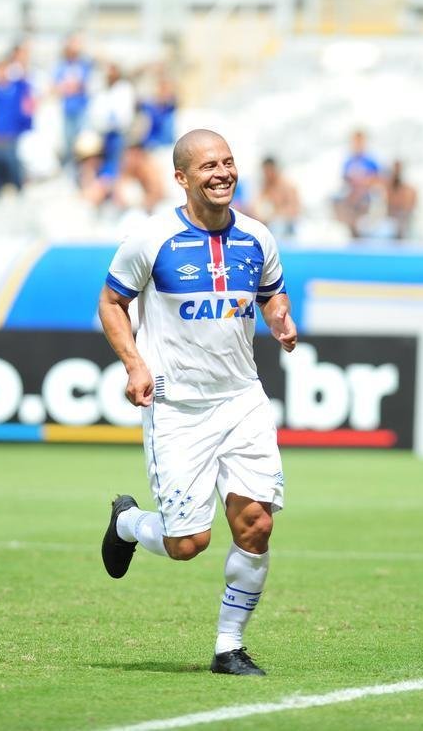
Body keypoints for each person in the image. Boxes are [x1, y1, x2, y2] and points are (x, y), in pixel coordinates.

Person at [98, 128, 297, 677]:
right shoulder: (151, 239)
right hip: (178, 407)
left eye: (229, 163)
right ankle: (128, 524)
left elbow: (272, 291)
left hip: (242, 400)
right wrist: (135, 364)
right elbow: (112, 302)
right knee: (189, 544)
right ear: (181, 178)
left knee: (255, 524)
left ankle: (228, 646)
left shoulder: (257, 236)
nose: (223, 173)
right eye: (209, 166)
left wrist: (279, 316)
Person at [0, 61, 33, 197]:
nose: (1, 74)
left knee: (15, 176)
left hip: (10, 140)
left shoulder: (16, 89)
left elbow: (25, 76)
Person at [52, 33, 92, 167]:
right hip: (67, 110)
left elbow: (87, 84)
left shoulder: (85, 64)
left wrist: (72, 86)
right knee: (69, 143)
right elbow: (57, 87)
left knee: (84, 143)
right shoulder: (61, 65)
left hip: (82, 109)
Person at [335, 128, 381, 237]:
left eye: (360, 141)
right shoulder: (348, 160)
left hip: (367, 196)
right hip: (351, 195)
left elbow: (379, 179)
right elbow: (344, 179)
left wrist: (364, 183)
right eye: (355, 141)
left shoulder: (371, 160)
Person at [250, 156, 300, 238]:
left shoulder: (287, 186)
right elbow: (255, 206)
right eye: (265, 172)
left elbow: (294, 211)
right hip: (271, 222)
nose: (267, 175)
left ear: (274, 169)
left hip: (287, 224)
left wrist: (273, 215)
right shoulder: (265, 186)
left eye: (269, 171)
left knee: (277, 226)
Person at [384, 160, 417, 239]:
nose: (396, 173)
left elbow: (408, 208)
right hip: (390, 222)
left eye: (398, 170)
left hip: (405, 222)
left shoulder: (410, 190)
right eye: (394, 170)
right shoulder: (387, 188)